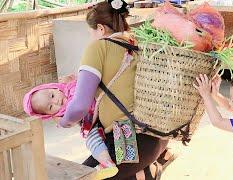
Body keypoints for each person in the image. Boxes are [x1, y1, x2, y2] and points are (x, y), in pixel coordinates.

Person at [56, 1, 172, 179]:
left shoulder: (98, 47)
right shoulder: (138, 43)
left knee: (83, 176)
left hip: (129, 141)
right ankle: (151, 166)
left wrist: (64, 121)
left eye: (91, 32)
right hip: (158, 136)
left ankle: (151, 170)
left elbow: (80, 106)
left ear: (101, 29)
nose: (91, 37)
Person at [23, 76, 119, 179]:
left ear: (55, 88)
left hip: (103, 105)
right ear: (48, 115)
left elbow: (85, 81)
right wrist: (61, 120)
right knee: (92, 141)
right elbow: (71, 121)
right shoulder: (63, 115)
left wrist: (73, 80)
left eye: (52, 96)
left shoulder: (69, 86)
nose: (56, 102)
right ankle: (107, 163)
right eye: (50, 107)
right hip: (92, 124)